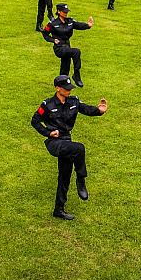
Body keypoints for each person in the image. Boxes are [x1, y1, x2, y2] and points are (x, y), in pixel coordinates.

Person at [30, 75, 108, 221]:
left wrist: (100, 110)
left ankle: (58, 210)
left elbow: (86, 109)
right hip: (55, 142)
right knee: (79, 148)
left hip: (67, 140)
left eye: (70, 88)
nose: (69, 91)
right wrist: (48, 132)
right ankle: (81, 180)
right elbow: (35, 121)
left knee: (65, 175)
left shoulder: (73, 101)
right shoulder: (47, 105)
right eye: (66, 89)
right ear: (57, 88)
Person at [41, 4, 93, 87]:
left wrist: (88, 25)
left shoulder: (70, 21)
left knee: (65, 65)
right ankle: (76, 76)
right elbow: (45, 33)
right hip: (59, 48)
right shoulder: (53, 23)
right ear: (58, 12)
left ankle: (62, 83)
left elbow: (79, 25)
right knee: (76, 52)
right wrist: (53, 40)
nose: (66, 13)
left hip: (67, 46)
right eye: (64, 12)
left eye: (67, 11)